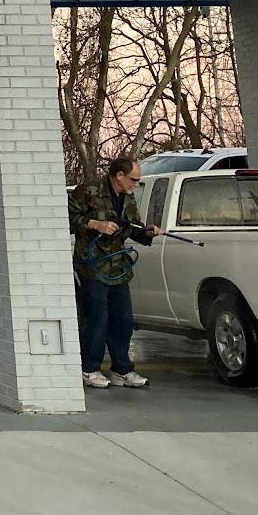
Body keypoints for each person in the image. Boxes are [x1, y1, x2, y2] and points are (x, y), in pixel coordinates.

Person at [68, 155, 158, 389]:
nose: (135, 185)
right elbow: (69, 218)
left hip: (117, 265)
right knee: (97, 317)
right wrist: (94, 224)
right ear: (119, 175)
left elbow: (133, 226)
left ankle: (122, 369)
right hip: (92, 264)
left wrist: (148, 232)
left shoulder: (127, 197)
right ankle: (89, 368)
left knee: (123, 318)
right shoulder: (88, 190)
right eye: (133, 180)